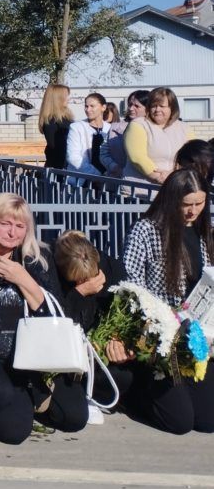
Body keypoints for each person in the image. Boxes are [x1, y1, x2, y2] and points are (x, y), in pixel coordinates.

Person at [0, 193, 87, 444]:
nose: (12, 232)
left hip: (33, 355)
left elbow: (57, 314)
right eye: (4, 223)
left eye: (19, 226)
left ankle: (27, 399)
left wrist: (24, 280)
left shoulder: (36, 259)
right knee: (13, 432)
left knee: (74, 416)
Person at [122, 169, 214, 433]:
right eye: (186, 204)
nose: (192, 211)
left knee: (207, 421)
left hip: (196, 335)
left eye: (199, 203)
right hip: (160, 337)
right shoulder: (147, 230)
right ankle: (134, 395)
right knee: (179, 422)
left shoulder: (202, 232)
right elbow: (131, 284)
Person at [53, 231, 132, 422]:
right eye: (78, 280)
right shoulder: (53, 275)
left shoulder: (113, 270)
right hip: (66, 353)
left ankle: (95, 396)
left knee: (124, 376)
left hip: (98, 350)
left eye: (89, 277)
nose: (86, 282)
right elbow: (56, 320)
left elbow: (126, 310)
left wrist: (118, 339)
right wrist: (79, 293)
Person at [123, 87, 194, 184]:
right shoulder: (138, 125)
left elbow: (193, 155)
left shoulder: (185, 128)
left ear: (172, 107)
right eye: (153, 106)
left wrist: (176, 174)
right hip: (142, 190)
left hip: (176, 186)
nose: (157, 110)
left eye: (162, 106)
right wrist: (159, 177)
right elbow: (137, 157)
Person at [66, 93, 116, 176]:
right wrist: (96, 175)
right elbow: (73, 157)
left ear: (103, 107)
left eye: (92, 106)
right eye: (86, 106)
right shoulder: (76, 127)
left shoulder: (110, 128)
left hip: (107, 180)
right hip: (82, 181)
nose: (88, 110)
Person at [101, 90, 148, 178]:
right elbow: (104, 153)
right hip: (116, 181)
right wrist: (114, 167)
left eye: (136, 106)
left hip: (143, 183)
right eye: (130, 104)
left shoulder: (154, 129)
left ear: (147, 108)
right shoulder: (114, 128)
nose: (131, 108)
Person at [39, 84, 73, 170]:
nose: (69, 99)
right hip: (59, 170)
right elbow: (57, 148)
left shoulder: (65, 118)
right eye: (66, 96)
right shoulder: (51, 122)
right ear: (58, 99)